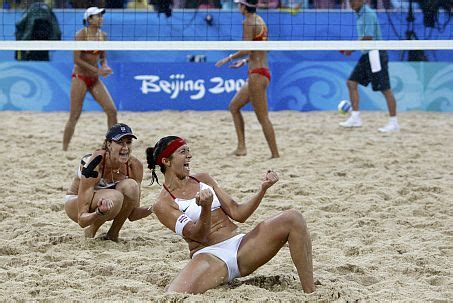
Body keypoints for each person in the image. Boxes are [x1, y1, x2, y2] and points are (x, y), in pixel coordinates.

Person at [146, 136, 315, 294]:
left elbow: (238, 213)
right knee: (174, 294)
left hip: (241, 246)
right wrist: (205, 208)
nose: (189, 155)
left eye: (188, 150)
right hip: (210, 256)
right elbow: (199, 236)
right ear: (166, 161)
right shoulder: (163, 204)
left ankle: (311, 293)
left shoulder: (203, 179)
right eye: (183, 152)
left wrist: (262, 190)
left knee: (293, 217)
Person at [64, 123, 152, 241]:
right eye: (120, 142)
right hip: (76, 203)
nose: (125, 147)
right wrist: (99, 212)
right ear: (109, 145)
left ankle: (113, 234)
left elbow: (132, 214)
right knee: (115, 197)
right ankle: (90, 232)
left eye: (128, 142)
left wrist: (154, 208)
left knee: (131, 186)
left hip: (109, 203)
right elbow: (82, 220)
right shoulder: (94, 163)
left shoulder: (134, 166)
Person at [215, 0, 279, 158]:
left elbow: (247, 49)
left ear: (244, 6)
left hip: (257, 74)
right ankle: (241, 147)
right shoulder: (260, 21)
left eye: (239, 4)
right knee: (234, 106)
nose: (238, 7)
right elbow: (262, 48)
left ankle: (275, 155)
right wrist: (244, 61)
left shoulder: (248, 22)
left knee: (263, 118)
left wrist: (229, 58)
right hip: (261, 70)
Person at [339, 0, 400, 133]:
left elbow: (368, 38)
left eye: (354, 0)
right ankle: (355, 118)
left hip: (376, 54)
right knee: (351, 82)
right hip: (367, 54)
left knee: (385, 89)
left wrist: (351, 48)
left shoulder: (368, 14)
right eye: (350, 0)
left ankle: (394, 123)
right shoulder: (359, 14)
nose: (351, 3)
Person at [63, 7, 117, 151]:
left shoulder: (103, 35)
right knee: (74, 115)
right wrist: (98, 70)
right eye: (97, 16)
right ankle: (64, 149)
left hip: (94, 79)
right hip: (80, 77)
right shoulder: (81, 35)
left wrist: (104, 66)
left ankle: (112, 146)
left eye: (101, 16)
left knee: (112, 110)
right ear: (89, 19)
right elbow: (77, 60)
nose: (100, 18)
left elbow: (102, 57)